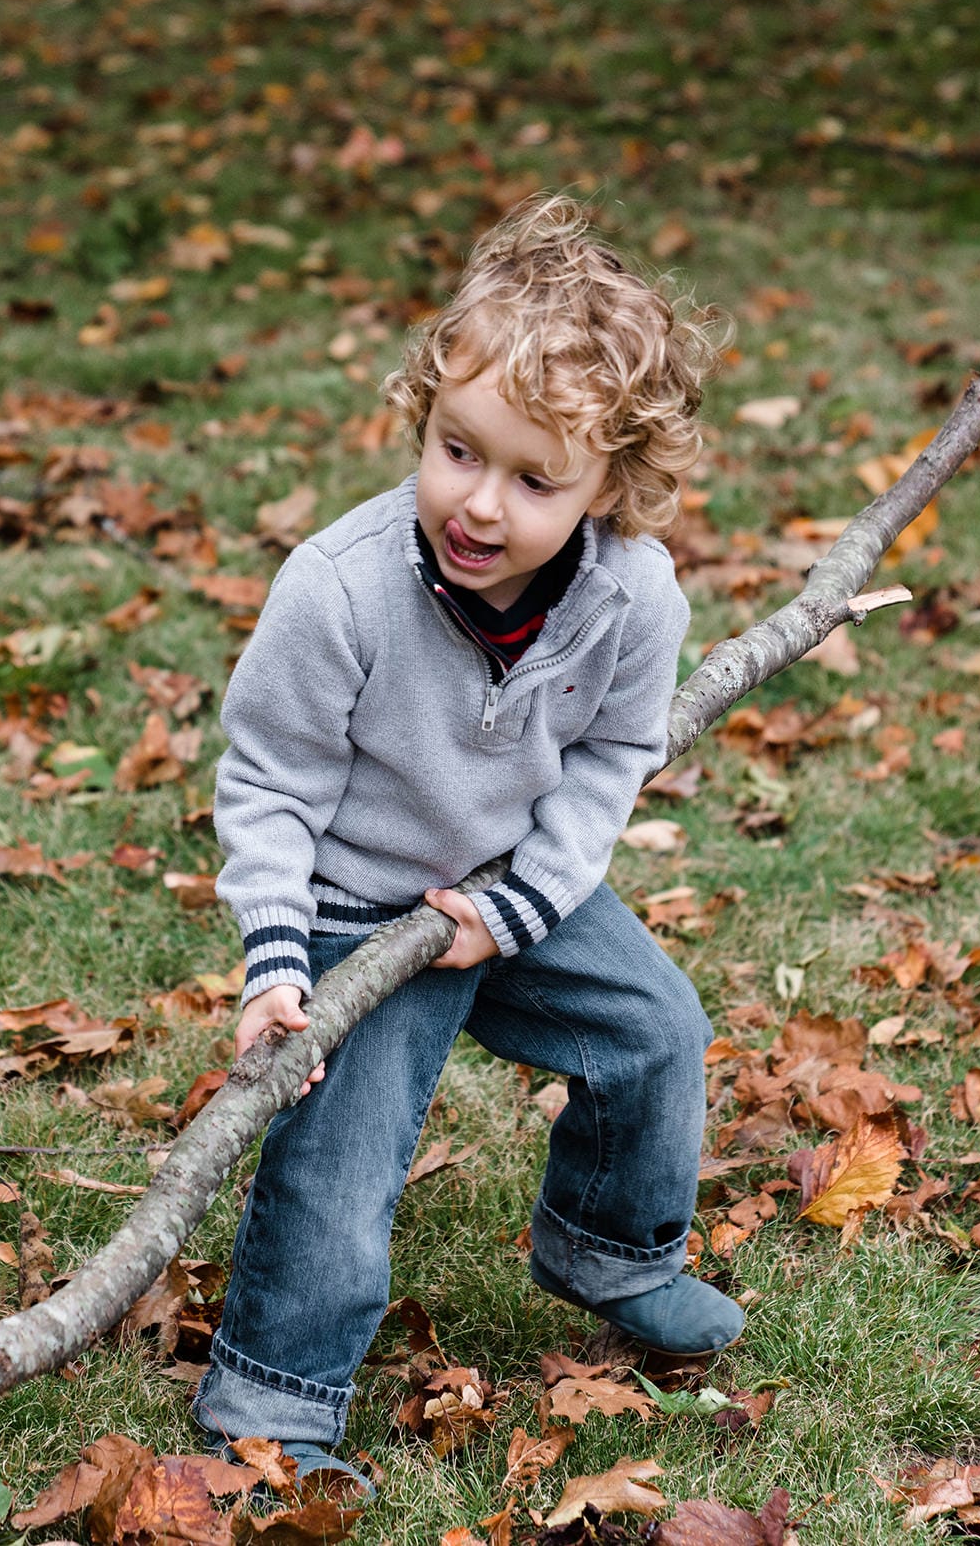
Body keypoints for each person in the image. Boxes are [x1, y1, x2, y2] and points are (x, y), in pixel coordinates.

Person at [195, 192, 737, 1495]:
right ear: (422, 418)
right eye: (455, 450)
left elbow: (614, 755)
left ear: (610, 488)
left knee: (654, 1032)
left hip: (513, 890)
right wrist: (279, 960)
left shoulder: (632, 595)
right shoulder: (339, 588)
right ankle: (272, 1412)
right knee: (335, 1173)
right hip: (355, 911)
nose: (478, 503)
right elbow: (266, 780)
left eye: (533, 478)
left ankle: (608, 1252)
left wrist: (525, 904)